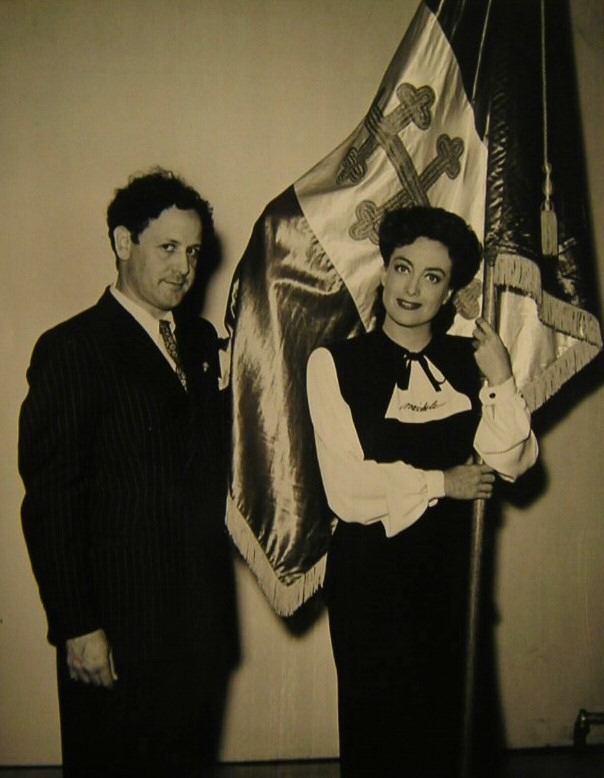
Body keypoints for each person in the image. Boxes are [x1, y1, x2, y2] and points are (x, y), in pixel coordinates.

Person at [19, 168, 239, 778]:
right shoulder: (72, 349)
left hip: (198, 624)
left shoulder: (199, 340)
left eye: (193, 252)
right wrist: (78, 625)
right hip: (116, 630)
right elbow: (51, 501)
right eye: (167, 248)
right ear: (123, 243)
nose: (183, 267)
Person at [306, 206, 538, 778]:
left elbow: (513, 462)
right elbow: (347, 489)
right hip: (372, 586)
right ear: (383, 272)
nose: (412, 288)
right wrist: (442, 483)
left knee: (456, 740)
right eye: (403, 268)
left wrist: (502, 379)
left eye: (432, 277)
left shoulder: (470, 360)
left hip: (456, 577)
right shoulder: (334, 364)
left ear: (451, 291)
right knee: (384, 743)